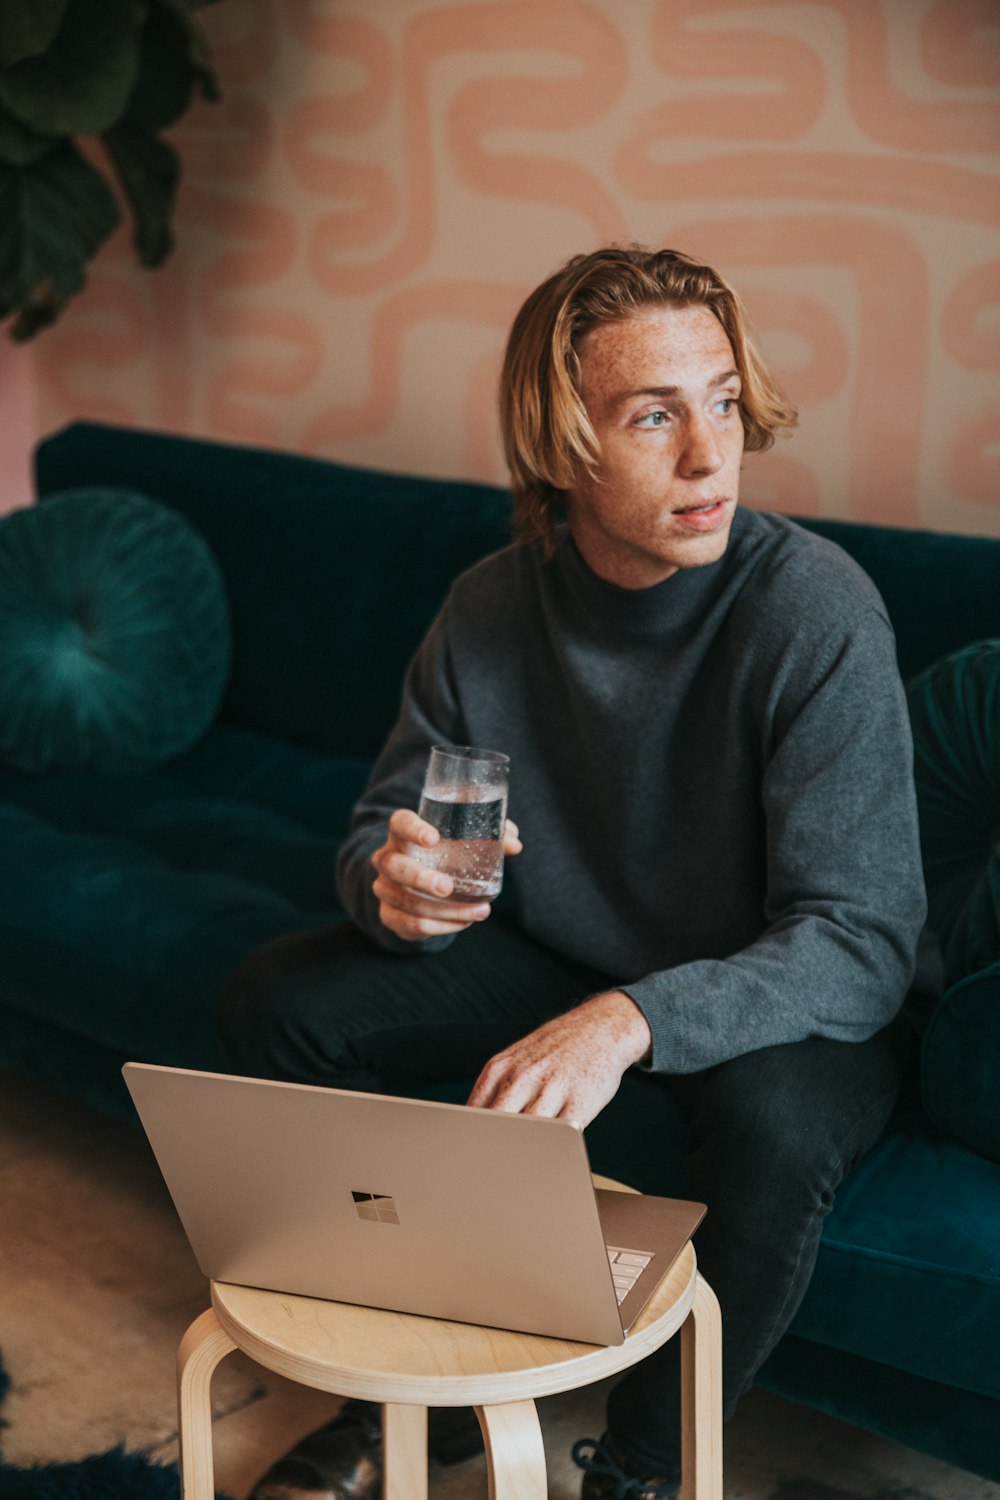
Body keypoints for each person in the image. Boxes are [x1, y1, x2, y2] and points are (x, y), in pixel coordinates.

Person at [218, 245, 927, 1500]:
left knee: (771, 1126)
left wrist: (630, 1022)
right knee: (282, 999)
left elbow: (860, 937)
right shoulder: (489, 607)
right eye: (654, 415)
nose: (711, 454)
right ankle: (419, 1396)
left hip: (781, 992)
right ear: (559, 447)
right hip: (566, 948)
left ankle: (642, 1472)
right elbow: (389, 817)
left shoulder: (815, 612)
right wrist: (391, 890)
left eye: (721, 399)